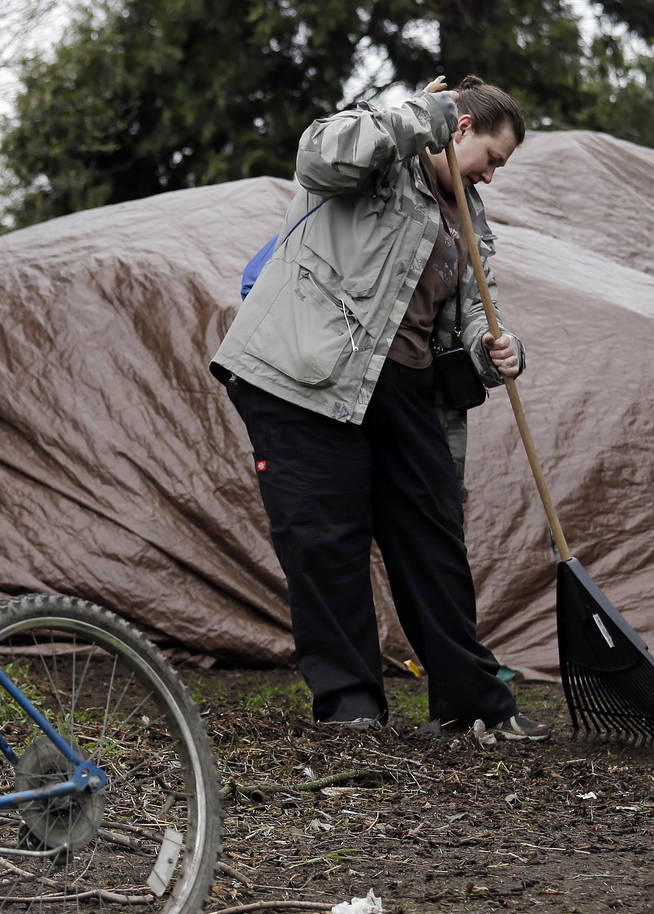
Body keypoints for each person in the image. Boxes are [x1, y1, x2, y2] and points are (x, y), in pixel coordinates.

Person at [212, 76, 549, 741]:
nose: (492, 176)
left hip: (405, 389)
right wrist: (416, 113)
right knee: (325, 538)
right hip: (306, 376)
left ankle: (471, 703)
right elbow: (317, 154)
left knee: (433, 538)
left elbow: (475, 305)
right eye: (492, 158)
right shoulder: (378, 152)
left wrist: (495, 346)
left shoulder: (468, 215)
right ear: (459, 129)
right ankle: (350, 704)